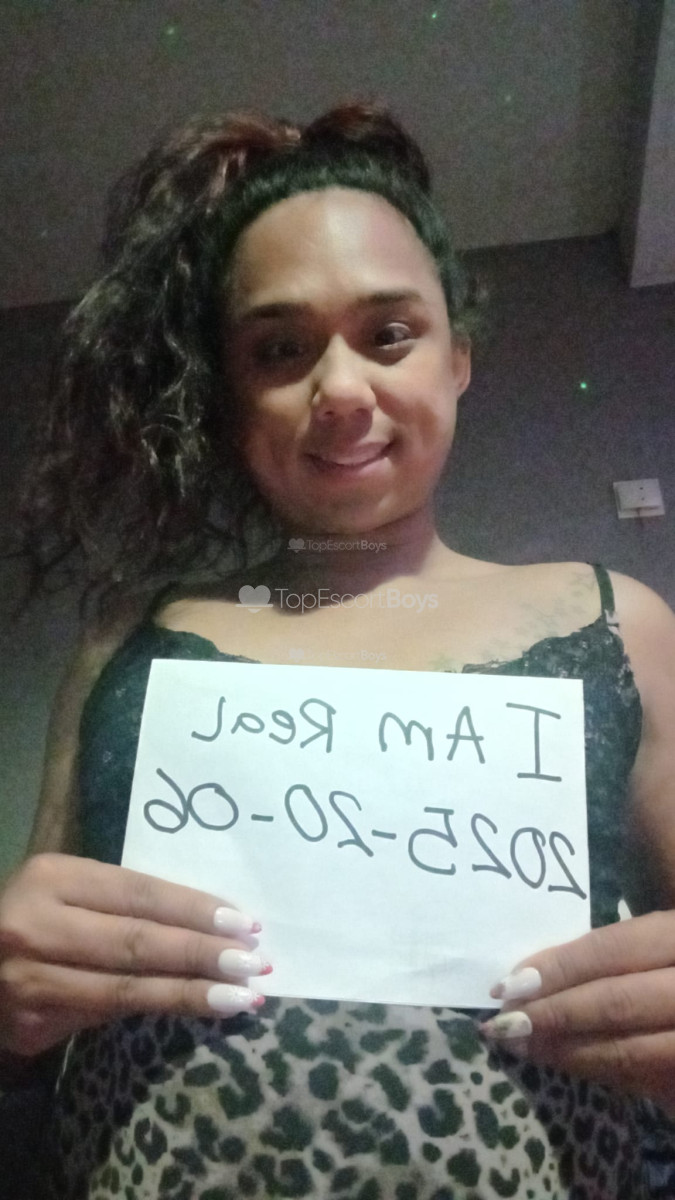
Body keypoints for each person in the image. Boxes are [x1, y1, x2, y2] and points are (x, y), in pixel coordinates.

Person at [2, 99, 675, 1200]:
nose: (341, 393)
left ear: (459, 357)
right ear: (232, 397)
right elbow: (31, 1003)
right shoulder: (130, 644)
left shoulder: (615, 624)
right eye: (279, 350)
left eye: (389, 334)